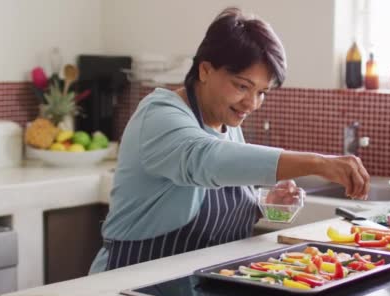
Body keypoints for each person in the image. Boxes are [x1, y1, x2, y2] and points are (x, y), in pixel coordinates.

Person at [89, 7, 369, 274]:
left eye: (262, 92)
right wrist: (317, 163)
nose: (252, 103)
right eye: (242, 86)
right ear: (205, 70)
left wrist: (262, 201)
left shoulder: (226, 121)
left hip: (200, 294)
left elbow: (206, 191)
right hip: (131, 288)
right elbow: (206, 160)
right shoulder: (159, 115)